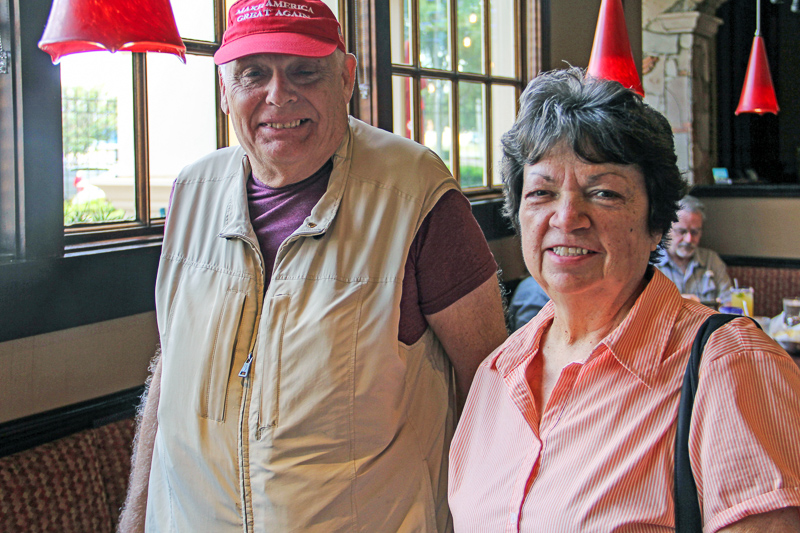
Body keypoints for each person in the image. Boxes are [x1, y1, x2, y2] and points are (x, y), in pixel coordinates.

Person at [118, 0, 508, 531]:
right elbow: (170, 374)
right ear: (224, 89)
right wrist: (135, 517)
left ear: (346, 78)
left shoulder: (416, 192)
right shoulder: (191, 193)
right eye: (253, 73)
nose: (278, 95)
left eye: (304, 71)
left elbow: (493, 385)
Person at [448, 68, 800, 532]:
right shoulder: (496, 374)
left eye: (604, 192)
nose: (567, 217)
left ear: (657, 223)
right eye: (542, 192)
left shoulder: (729, 367)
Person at [656, 194, 733, 304]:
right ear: (666, 230)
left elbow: (729, 303)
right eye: (682, 232)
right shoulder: (650, 263)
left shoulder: (711, 260)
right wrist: (677, 301)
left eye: (695, 232)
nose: (688, 239)